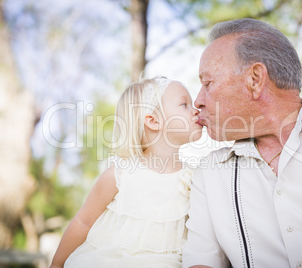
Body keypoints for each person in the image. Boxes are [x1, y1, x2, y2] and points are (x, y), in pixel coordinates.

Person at [182, 18, 302, 268]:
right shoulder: (209, 174)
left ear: (255, 79)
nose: (198, 101)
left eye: (207, 83)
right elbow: (201, 261)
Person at [50, 76, 203, 268]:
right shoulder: (119, 175)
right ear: (153, 121)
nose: (196, 109)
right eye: (184, 104)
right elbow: (83, 222)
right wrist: (56, 265)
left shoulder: (193, 179)